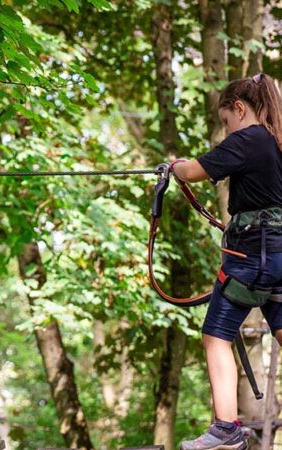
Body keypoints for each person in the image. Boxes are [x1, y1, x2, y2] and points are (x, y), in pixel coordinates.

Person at [172, 73, 282, 450]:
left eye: (225, 121)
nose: (226, 129)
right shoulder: (278, 140)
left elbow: (193, 172)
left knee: (216, 336)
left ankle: (226, 429)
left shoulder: (246, 139)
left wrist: (175, 167)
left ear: (239, 108)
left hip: (252, 256)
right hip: (280, 256)